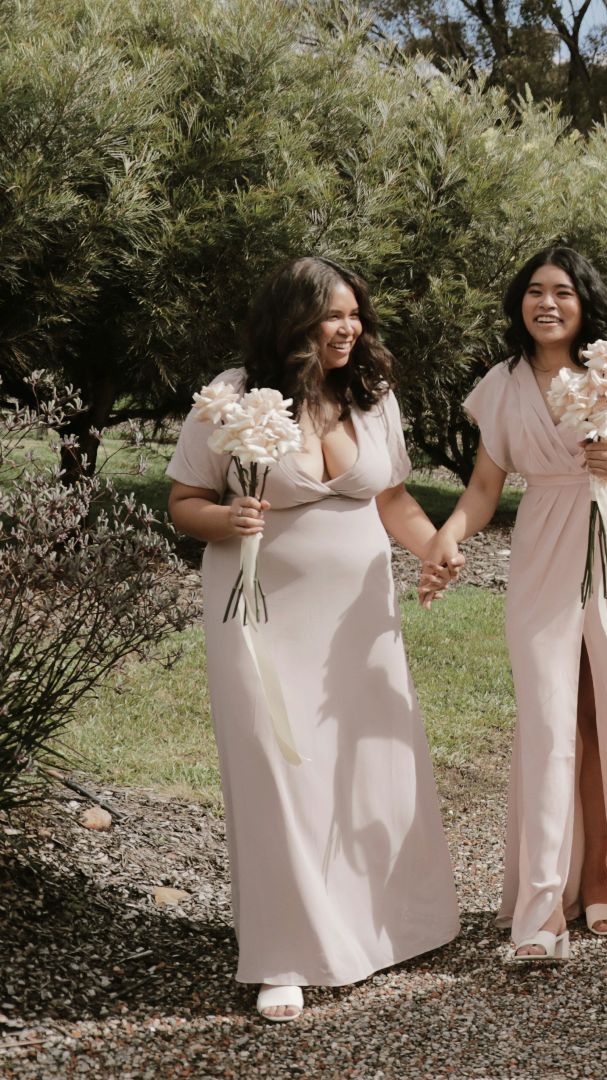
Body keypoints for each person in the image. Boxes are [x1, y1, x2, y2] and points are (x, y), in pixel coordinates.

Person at [166, 256, 459, 1022]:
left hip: (356, 622)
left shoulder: (371, 395)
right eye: (334, 315)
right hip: (259, 614)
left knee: (363, 765)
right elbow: (183, 500)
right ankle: (286, 953)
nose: (349, 328)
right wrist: (224, 519)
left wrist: (433, 547)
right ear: (292, 319)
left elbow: (391, 497)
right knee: (275, 767)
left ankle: (390, 925)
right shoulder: (230, 398)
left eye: (355, 314)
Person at [426, 247, 607, 959]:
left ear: (582, 301)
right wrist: (448, 531)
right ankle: (541, 903)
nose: (547, 303)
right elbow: (482, 488)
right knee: (548, 717)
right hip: (542, 548)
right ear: (519, 304)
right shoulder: (501, 385)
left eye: (562, 292)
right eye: (534, 291)